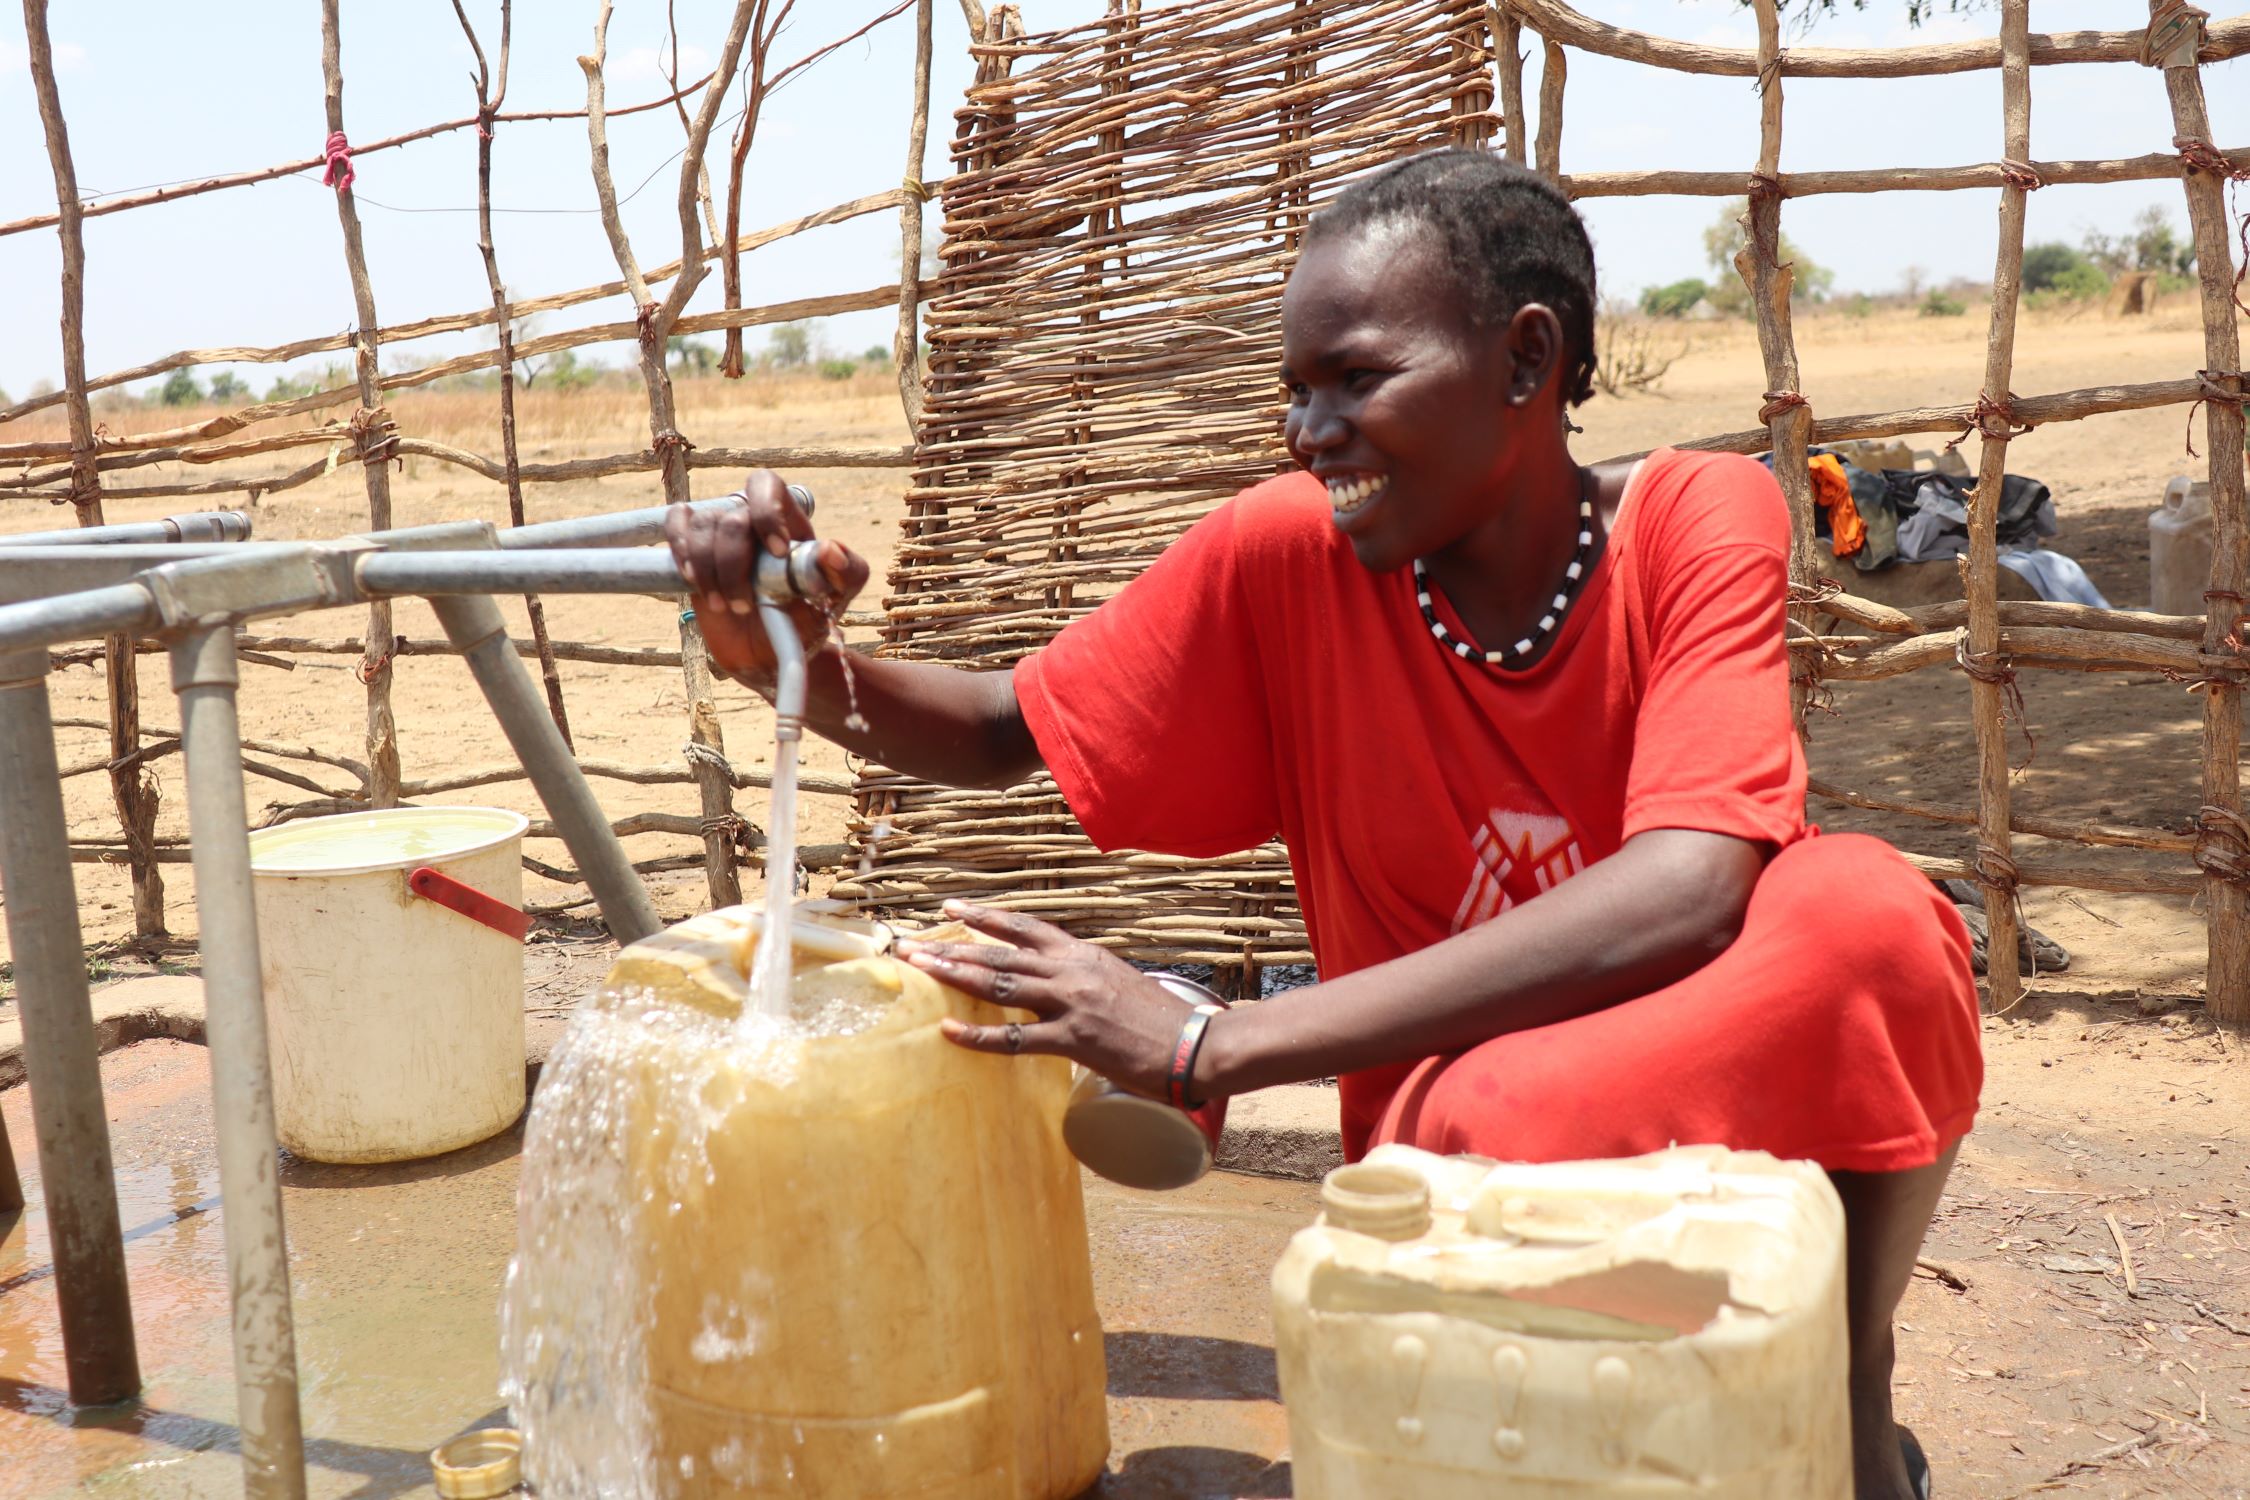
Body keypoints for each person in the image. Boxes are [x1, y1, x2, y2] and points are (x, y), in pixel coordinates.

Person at [668, 149, 1979, 1500]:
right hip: (1456, 1132)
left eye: (1358, 380)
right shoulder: (1284, 560)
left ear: (1526, 361)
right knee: (1492, 1101)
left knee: (1872, 917)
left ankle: (1845, 1369)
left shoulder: (1695, 519)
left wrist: (1211, 1043)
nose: (1309, 430)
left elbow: (1691, 886)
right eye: (1295, 392)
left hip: (1696, 1058)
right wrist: (780, 659)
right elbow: (1010, 727)